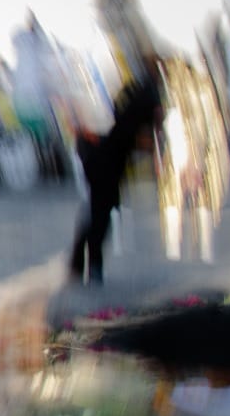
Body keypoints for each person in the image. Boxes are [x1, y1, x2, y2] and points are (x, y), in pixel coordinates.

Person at [70, 57, 163, 285]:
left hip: (101, 155)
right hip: (108, 162)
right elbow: (151, 136)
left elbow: (118, 107)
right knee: (100, 214)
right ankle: (91, 266)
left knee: (97, 212)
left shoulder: (136, 91)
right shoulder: (151, 97)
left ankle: (79, 263)